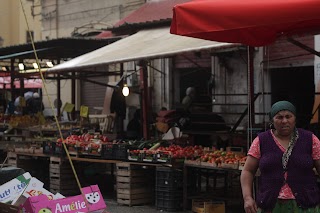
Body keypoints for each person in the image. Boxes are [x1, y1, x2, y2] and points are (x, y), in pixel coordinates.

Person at [240, 100, 320, 213]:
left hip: (306, 205)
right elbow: (247, 171)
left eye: (288, 116)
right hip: (270, 206)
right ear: (272, 120)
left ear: (295, 119)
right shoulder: (261, 141)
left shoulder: (310, 139)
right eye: (279, 117)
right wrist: (247, 198)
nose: (284, 121)